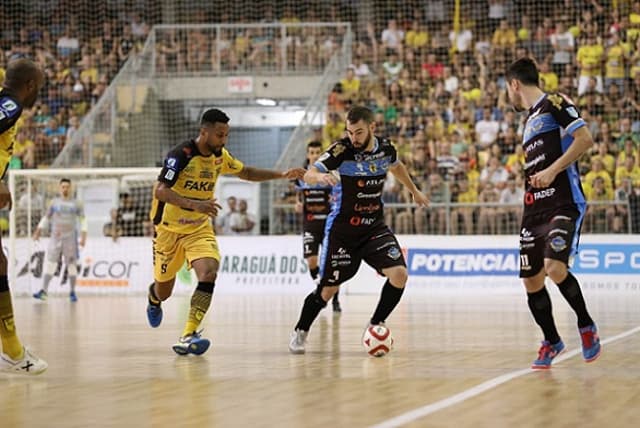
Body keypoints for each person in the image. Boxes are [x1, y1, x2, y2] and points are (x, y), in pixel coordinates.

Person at [147, 108, 304, 356]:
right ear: (204, 132)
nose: (223, 140)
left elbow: (248, 173)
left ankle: (189, 332)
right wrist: (196, 204)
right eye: (220, 135)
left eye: (226, 135)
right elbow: (160, 191)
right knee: (164, 291)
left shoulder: (221, 157)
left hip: (198, 229)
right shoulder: (181, 155)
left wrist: (281, 174)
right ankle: (153, 298)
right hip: (168, 230)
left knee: (209, 272)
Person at [288, 106, 430, 354]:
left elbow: (397, 167)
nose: (354, 137)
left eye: (359, 132)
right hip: (343, 232)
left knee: (399, 274)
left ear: (372, 128)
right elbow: (309, 172)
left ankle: (376, 323)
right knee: (327, 290)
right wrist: (320, 178)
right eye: (350, 132)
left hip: (374, 227)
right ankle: (301, 330)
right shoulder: (341, 151)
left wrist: (413, 190)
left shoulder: (386, 148)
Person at [505, 57, 601, 369]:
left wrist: (552, 170)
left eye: (508, 89)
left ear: (515, 84)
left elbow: (585, 139)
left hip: (562, 201)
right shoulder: (528, 120)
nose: (508, 94)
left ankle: (586, 326)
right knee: (531, 281)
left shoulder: (554, 103)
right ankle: (552, 340)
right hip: (533, 210)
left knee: (554, 267)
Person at [0, 58, 47, 375]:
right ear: (29, 85)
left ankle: (13, 350)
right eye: (39, 88)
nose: (38, 95)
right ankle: (13, 352)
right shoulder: (10, 104)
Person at [294, 140, 341, 313]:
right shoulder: (302, 175)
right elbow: (298, 195)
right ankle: (319, 286)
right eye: (312, 152)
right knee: (311, 260)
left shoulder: (328, 174)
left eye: (317, 152)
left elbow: (337, 194)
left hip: (329, 224)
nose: (314, 155)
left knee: (333, 263)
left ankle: (335, 298)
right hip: (310, 223)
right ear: (308, 155)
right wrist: (297, 204)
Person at [32, 178, 87, 302]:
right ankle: (44, 291)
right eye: (63, 187)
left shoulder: (77, 203)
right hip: (55, 237)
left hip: (70, 238)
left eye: (67, 186)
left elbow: (83, 220)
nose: (65, 189)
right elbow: (46, 217)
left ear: (71, 188)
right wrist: (38, 231)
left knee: (71, 265)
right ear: (59, 188)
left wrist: (84, 236)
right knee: (51, 263)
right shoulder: (54, 202)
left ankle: (72, 292)